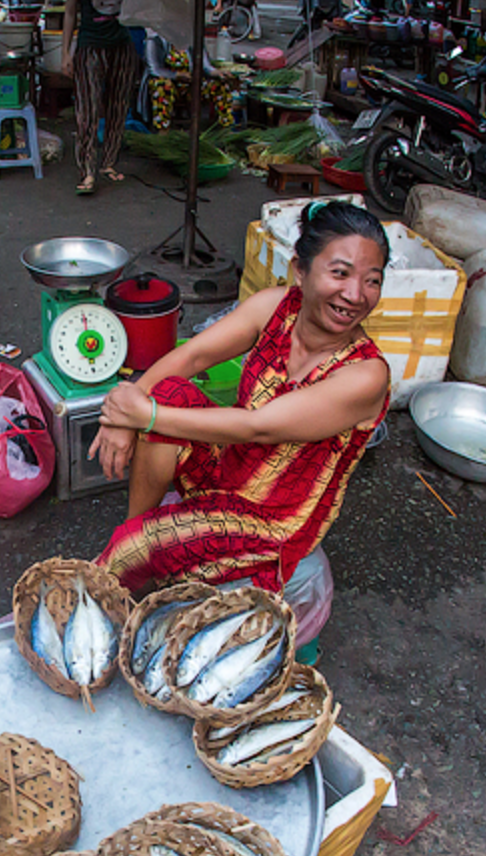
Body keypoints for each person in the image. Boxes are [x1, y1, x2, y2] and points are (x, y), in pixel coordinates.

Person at [90, 202, 392, 595]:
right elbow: (192, 356)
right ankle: (136, 542)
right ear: (300, 270)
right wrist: (122, 414)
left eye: (372, 280)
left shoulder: (365, 374)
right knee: (168, 393)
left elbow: (257, 427)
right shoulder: (276, 307)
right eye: (340, 273)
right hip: (229, 466)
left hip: (273, 516)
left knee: (133, 545)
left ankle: (133, 557)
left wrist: (142, 415)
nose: (355, 295)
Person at [61, 0, 142, 195]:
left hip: (122, 46)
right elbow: (70, 12)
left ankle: (109, 163)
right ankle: (87, 171)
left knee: (119, 105)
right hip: (90, 46)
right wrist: (65, 53)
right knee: (87, 110)